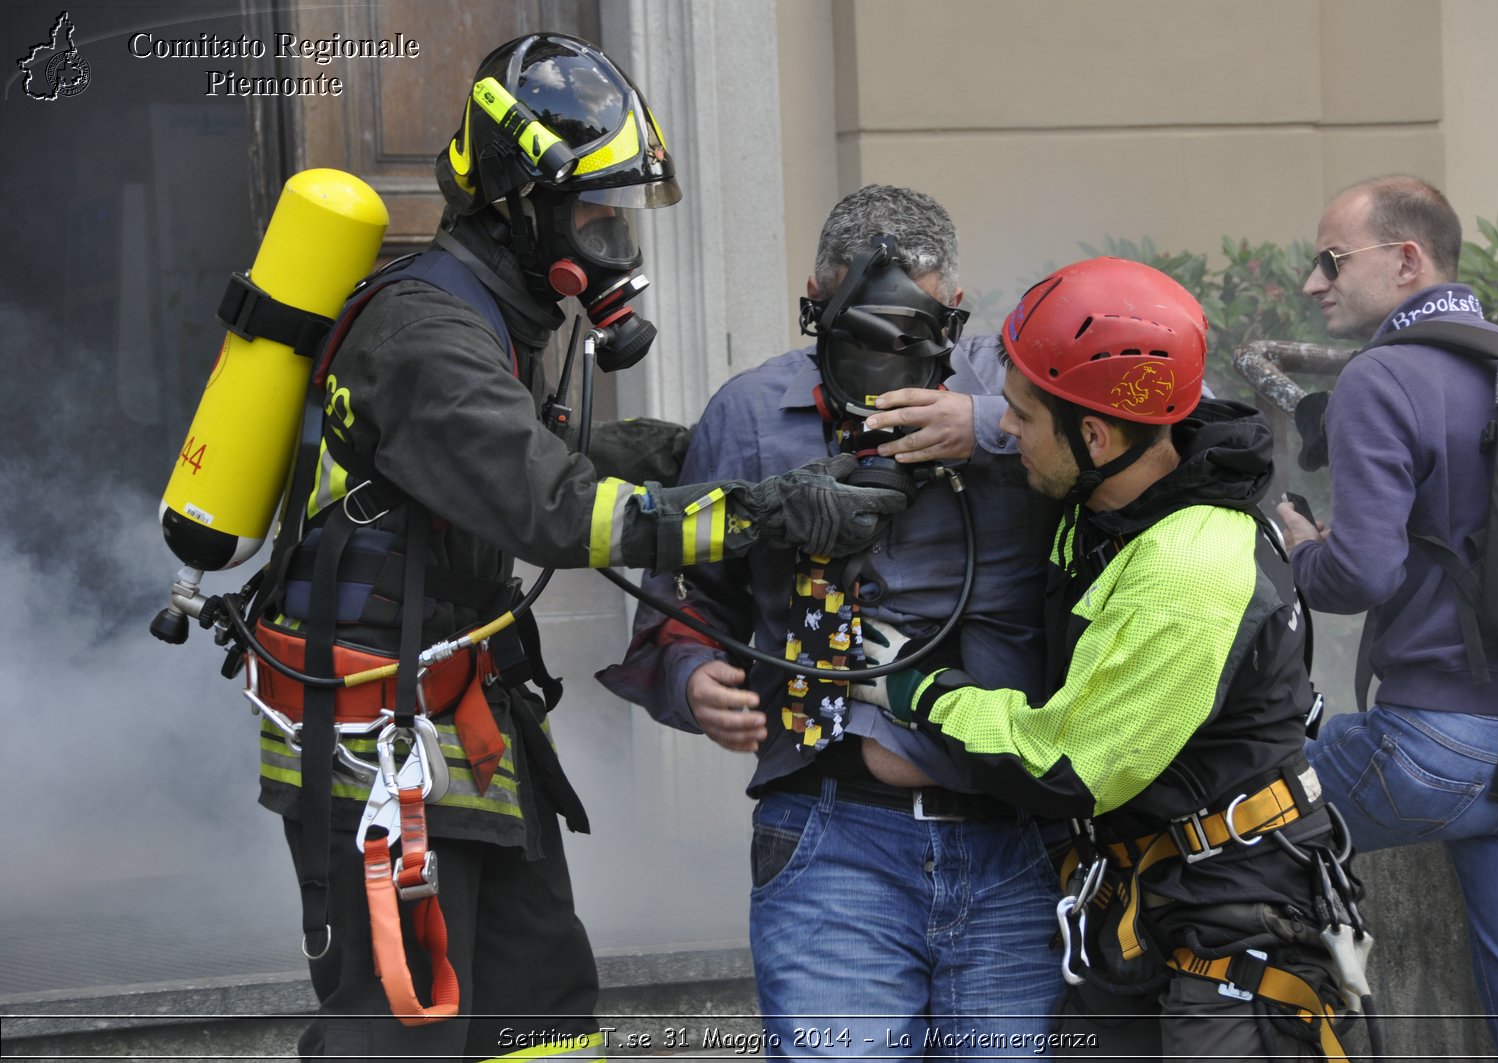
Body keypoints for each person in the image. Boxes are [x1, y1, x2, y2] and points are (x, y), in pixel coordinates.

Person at [246, 35, 908, 1060]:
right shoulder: (426, 333)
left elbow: (535, 449)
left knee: (540, 1004)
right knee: (404, 1026)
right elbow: (560, 510)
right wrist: (762, 512)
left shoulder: (485, 318)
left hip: (456, 717)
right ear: (523, 204)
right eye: (596, 216)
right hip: (378, 739)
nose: (613, 245)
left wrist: (698, 449)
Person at [853, 257, 1359, 1061]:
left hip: (1234, 931)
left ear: (1095, 433)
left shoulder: (1190, 565)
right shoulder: (1103, 504)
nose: (1003, 428)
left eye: (1019, 415)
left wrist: (919, 692)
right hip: (1147, 910)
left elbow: (1069, 765)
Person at [599, 185, 1064, 1057]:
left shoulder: (1025, 400)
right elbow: (686, 601)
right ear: (812, 301)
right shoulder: (749, 413)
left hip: (1019, 845)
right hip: (831, 841)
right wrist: (691, 675)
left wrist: (994, 425)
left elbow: (1177, 442)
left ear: (954, 310)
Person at [1278, 174, 1498, 1063]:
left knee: (1217, 808)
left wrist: (1301, 549)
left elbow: (1361, 573)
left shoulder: (1384, 376)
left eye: (1332, 260)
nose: (1314, 283)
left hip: (1433, 755)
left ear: (1406, 260)